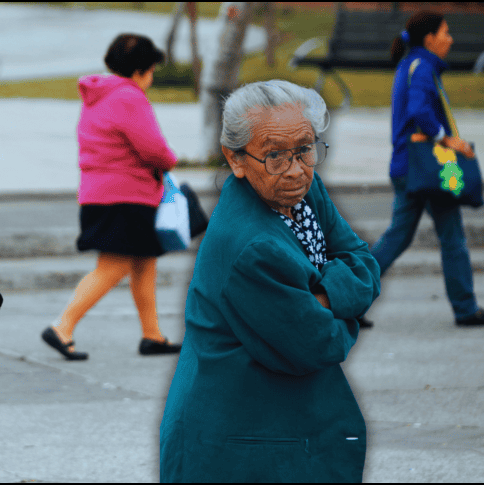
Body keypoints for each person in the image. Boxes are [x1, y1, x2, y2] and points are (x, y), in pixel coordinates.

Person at [159, 80, 381, 482]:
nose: (295, 169)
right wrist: (345, 302)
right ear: (235, 159)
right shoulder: (252, 246)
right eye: (275, 155)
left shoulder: (304, 193)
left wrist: (321, 297)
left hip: (272, 426)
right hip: (239, 441)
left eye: (305, 149)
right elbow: (319, 343)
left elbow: (363, 261)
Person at [40, 34, 181, 360]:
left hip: (101, 193)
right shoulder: (129, 97)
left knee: (144, 261)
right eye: (151, 70)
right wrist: (171, 161)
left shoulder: (97, 96)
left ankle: (152, 336)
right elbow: (153, 148)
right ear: (141, 70)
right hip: (126, 196)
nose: (152, 77)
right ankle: (63, 327)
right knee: (113, 266)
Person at [363, 11, 480, 328]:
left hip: (407, 165)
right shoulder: (422, 67)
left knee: (397, 237)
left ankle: (348, 302)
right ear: (429, 39)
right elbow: (419, 111)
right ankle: (466, 309)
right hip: (426, 167)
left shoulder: (411, 64)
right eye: (445, 32)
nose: (450, 39)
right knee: (452, 236)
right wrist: (446, 138)